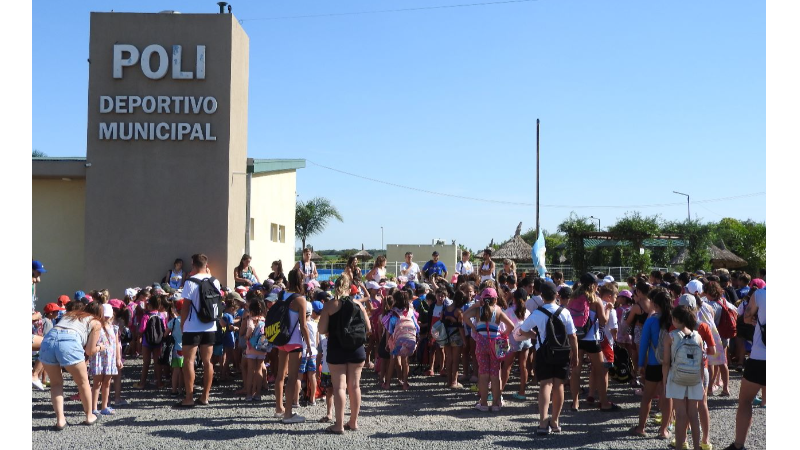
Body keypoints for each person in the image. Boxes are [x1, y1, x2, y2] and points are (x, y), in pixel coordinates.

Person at [518, 281, 579, 435]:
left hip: (543, 352)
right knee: (559, 386)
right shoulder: (564, 312)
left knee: (545, 385)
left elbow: (523, 330)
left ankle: (543, 422)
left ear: (542, 296)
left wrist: (536, 336)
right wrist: (575, 356)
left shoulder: (537, 313)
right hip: (562, 352)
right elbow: (572, 336)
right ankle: (556, 421)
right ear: (556, 295)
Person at [39, 301, 105, 429]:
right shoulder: (96, 323)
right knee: (83, 382)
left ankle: (60, 420)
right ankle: (89, 416)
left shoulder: (71, 314)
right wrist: (100, 347)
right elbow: (89, 351)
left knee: (56, 383)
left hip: (48, 340)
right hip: (69, 342)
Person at [318, 274, 371, 434]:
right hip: (356, 349)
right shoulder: (358, 305)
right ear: (350, 288)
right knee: (355, 386)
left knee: (339, 387)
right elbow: (368, 328)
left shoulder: (329, 305)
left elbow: (321, 330)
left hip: (336, 348)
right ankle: (353, 422)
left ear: (336, 288)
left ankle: (339, 425)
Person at [176, 253, 221, 408]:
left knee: (188, 361)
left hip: (192, 326)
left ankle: (189, 397)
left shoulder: (190, 282)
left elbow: (185, 306)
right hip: (210, 325)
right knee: (208, 361)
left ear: (193, 264)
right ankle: (205, 396)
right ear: (206, 264)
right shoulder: (215, 281)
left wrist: (182, 324)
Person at [725, 285, 766, 450]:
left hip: (759, 357)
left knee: (745, 401)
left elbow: (747, 317)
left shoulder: (760, 295)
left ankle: (739, 445)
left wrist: (756, 320)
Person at [630, 287, 673, 439]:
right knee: (668, 397)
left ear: (655, 304)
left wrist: (641, 364)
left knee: (647, 397)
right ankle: (664, 430)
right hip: (670, 364)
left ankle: (641, 428)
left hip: (654, 363)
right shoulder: (673, 320)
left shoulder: (651, 321)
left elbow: (643, 345)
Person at [568, 273, 615, 411]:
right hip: (591, 339)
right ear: (593, 285)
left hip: (576, 338)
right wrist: (607, 310)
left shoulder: (573, 298)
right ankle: (604, 402)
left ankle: (575, 403)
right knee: (600, 372)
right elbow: (603, 321)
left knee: (575, 371)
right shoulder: (596, 300)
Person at [463, 288, 516, 412]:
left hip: (481, 343)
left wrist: (474, 327)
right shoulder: (498, 311)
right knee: (495, 373)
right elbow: (511, 326)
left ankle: (484, 403)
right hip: (496, 343)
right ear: (495, 299)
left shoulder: (477, 311)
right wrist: (503, 334)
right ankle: (496, 404)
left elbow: (464, 316)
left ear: (482, 299)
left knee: (483, 374)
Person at [272, 268, 313, 424]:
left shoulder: (281, 295)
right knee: (293, 377)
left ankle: (279, 408)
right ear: (301, 281)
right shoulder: (300, 300)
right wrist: (309, 345)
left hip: (281, 338)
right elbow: (303, 326)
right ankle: (288, 414)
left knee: (280, 374)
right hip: (294, 341)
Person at [664, 305, 705, 450]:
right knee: (693, 414)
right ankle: (696, 446)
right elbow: (701, 363)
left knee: (680, 414)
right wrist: (701, 382)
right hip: (694, 378)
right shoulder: (698, 336)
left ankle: (680, 446)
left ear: (675, 319)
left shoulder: (671, 336)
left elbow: (665, 363)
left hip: (677, 377)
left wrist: (665, 382)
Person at [89, 304, 121, 416]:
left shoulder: (114, 328)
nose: (106, 318)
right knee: (97, 383)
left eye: (108, 316)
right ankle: (93, 408)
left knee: (107, 382)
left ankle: (104, 406)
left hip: (110, 358)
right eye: (104, 315)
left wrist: (118, 359)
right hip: (98, 357)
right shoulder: (96, 326)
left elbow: (116, 344)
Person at [501, 288, 531, 400]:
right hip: (526, 339)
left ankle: (499, 392)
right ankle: (522, 392)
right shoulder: (527, 312)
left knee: (507, 366)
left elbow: (503, 325)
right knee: (523, 366)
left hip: (513, 340)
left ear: (514, 298)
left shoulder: (509, 311)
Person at [134, 295, 166, 389]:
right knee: (157, 362)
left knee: (146, 362)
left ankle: (142, 383)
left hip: (147, 341)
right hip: (158, 341)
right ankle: (159, 383)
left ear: (150, 305)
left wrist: (138, 335)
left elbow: (142, 329)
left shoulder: (146, 316)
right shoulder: (161, 315)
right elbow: (164, 328)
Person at [166, 300, 185, 398]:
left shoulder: (173, 321)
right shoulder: (188, 321)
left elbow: (165, 334)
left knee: (176, 370)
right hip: (187, 349)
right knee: (184, 371)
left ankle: (174, 390)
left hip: (176, 349)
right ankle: (181, 389)